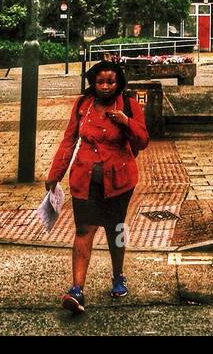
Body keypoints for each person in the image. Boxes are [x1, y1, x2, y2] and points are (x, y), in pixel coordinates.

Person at [46, 62, 149, 314]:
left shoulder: (129, 105)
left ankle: (118, 275)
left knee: (117, 228)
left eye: (110, 82)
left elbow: (143, 140)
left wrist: (126, 122)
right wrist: (54, 175)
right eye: (100, 81)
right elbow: (68, 141)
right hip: (84, 179)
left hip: (120, 181)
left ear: (119, 83)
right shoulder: (83, 105)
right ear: (93, 82)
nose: (104, 87)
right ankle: (77, 289)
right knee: (84, 229)